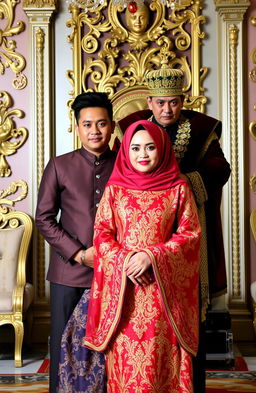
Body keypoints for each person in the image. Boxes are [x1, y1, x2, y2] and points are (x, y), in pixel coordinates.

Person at [118, 64, 231, 392]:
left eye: (175, 102)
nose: (168, 109)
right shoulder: (133, 129)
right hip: (142, 232)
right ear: (150, 102)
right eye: (161, 102)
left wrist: (180, 181)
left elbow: (219, 169)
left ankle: (188, 384)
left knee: (188, 310)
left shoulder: (201, 128)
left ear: (183, 101)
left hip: (188, 225)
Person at [84, 120, 201, 392]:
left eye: (150, 147)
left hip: (164, 296)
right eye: (135, 148)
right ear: (126, 151)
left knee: (162, 364)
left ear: (162, 149)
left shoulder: (178, 189)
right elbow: (102, 234)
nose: (143, 154)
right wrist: (125, 260)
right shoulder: (115, 190)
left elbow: (190, 234)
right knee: (127, 369)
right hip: (124, 296)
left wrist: (151, 255)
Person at [35, 92, 116, 393]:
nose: (95, 130)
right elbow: (43, 218)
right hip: (68, 274)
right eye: (87, 124)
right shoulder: (59, 165)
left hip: (114, 274)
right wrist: (79, 254)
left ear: (112, 125)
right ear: (77, 127)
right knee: (63, 349)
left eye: (102, 123)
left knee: (111, 348)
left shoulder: (126, 165)